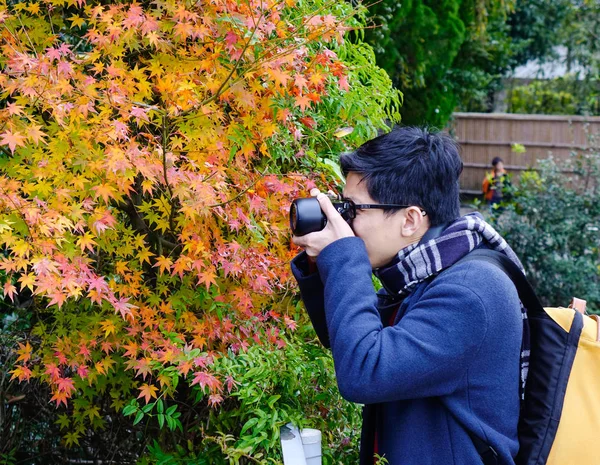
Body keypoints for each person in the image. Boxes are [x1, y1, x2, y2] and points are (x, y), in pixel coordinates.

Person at [290, 127, 526, 465]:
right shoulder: (424, 274)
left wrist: (344, 254)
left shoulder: (471, 291)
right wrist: (322, 263)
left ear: (410, 220)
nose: (345, 221)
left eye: (354, 210)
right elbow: (346, 334)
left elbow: (364, 370)